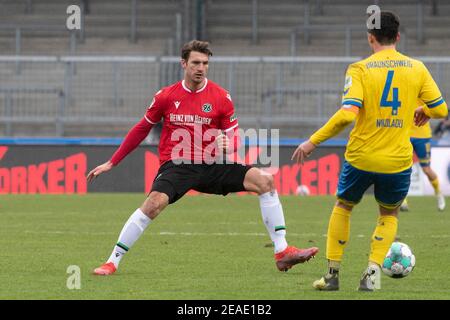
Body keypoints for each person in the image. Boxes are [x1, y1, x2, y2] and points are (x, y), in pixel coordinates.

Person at [88, 40, 318, 276]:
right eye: (196, 62)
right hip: (177, 164)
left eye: (205, 63)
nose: (201, 68)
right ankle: (112, 261)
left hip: (210, 164)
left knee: (265, 181)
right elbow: (141, 129)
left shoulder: (221, 97)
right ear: (184, 64)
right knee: (153, 204)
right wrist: (112, 162)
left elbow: (233, 137)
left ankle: (282, 252)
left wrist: (231, 144)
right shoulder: (166, 96)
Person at [292, 12, 448, 291]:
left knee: (344, 206)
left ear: (370, 38)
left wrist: (312, 141)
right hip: (397, 161)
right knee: (388, 215)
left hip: (361, 157)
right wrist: (423, 109)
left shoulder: (359, 69)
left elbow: (346, 115)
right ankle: (372, 273)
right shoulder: (417, 68)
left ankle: (331, 276)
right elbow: (441, 109)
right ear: (397, 37)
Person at [400, 101, 446, 212]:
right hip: (405, 133)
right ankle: (402, 200)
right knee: (401, 167)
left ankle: (439, 194)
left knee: (426, 169)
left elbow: (436, 105)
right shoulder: (402, 86)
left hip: (422, 135)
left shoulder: (424, 86)